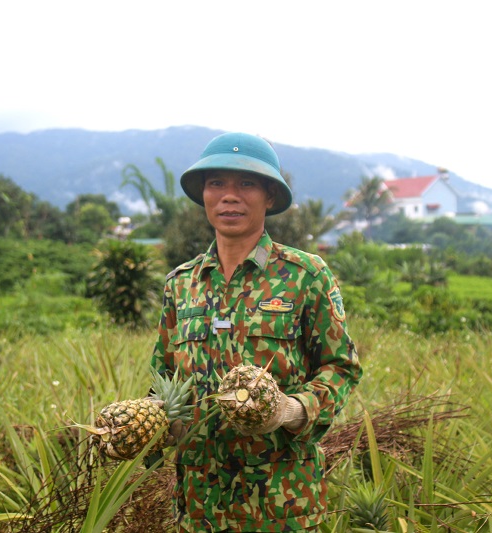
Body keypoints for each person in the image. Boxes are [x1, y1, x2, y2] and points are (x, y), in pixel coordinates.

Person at [150, 132, 362, 532]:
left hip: (281, 502)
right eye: (217, 183)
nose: (230, 196)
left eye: (246, 183)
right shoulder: (180, 284)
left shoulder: (305, 275)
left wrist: (292, 410)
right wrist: (151, 421)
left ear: (269, 196)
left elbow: (342, 367)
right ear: (204, 195)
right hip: (199, 505)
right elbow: (161, 375)